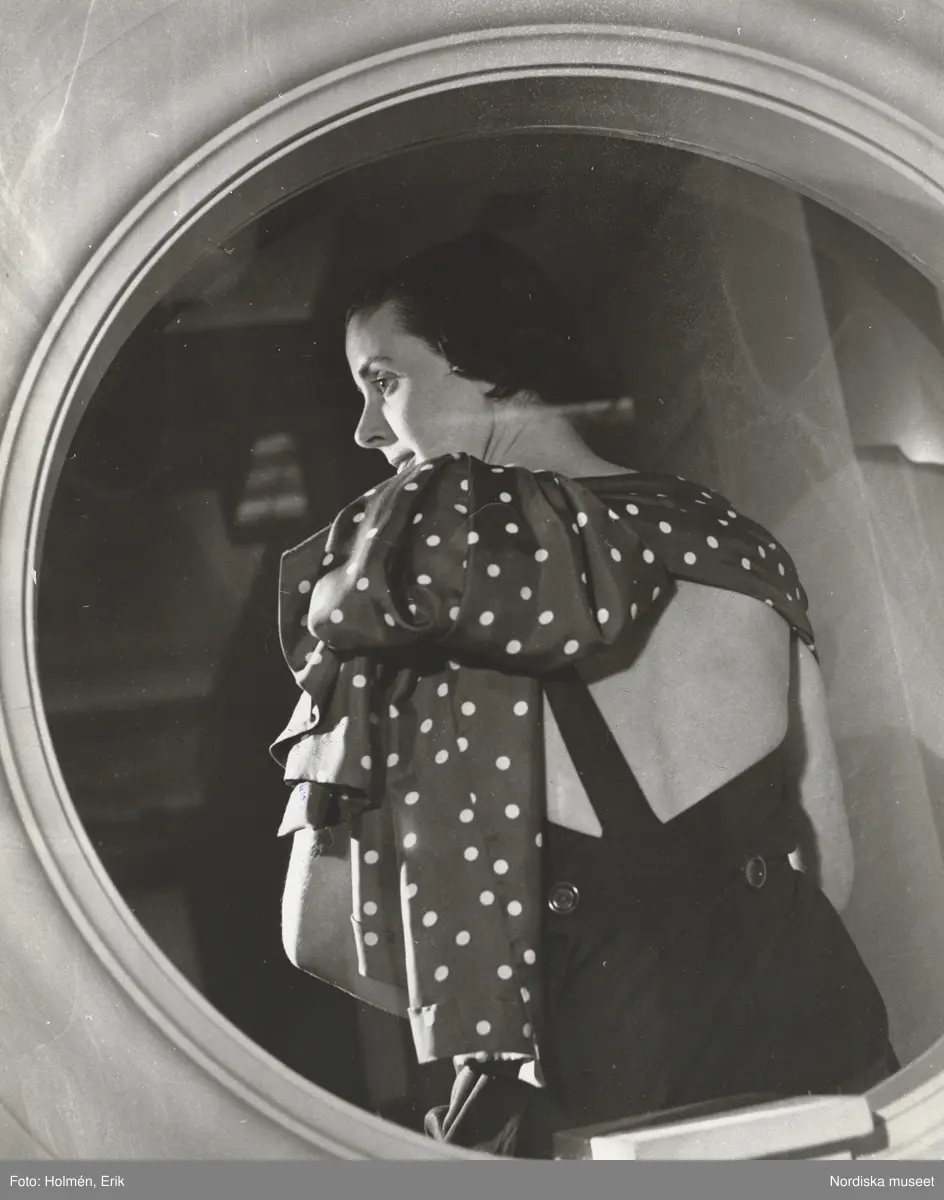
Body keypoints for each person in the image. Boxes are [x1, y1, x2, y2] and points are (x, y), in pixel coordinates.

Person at [271, 232, 897, 1158]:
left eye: (383, 381)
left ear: (481, 363)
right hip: (823, 1062)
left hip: (598, 1089)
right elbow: (828, 864)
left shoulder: (409, 586)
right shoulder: (737, 545)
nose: (367, 429)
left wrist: (489, 992)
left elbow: (322, 933)